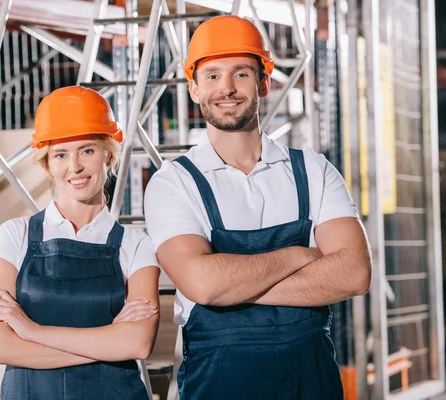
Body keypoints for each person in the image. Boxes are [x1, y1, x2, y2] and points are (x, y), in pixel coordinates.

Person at [144, 15, 372, 399]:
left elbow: (353, 273)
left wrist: (229, 284)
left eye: (241, 74)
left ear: (264, 82)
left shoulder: (312, 170)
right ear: (194, 89)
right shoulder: (174, 182)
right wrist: (302, 255)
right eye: (212, 76)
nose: (227, 88)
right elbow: (201, 284)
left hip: (310, 379)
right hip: (220, 381)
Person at [0, 86, 160, 400]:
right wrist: (108, 344)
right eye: (61, 154)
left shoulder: (136, 245)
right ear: (48, 163)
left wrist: (31, 332)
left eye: (87, 150)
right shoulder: (13, 236)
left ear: (108, 154)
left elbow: (138, 344)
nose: (74, 166)